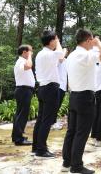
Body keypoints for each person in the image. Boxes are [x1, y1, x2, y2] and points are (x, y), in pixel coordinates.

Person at [62, 29, 101, 174]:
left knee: (71, 131)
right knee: (81, 133)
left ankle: (67, 163)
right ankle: (76, 166)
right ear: (88, 40)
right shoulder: (85, 54)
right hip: (85, 97)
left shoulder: (71, 55)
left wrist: (94, 44)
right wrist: (99, 42)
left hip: (74, 96)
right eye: (91, 41)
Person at [33, 30, 66, 158]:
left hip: (42, 88)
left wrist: (56, 41)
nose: (57, 41)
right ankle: (41, 150)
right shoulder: (49, 54)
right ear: (51, 41)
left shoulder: (41, 54)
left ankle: (36, 147)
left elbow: (58, 58)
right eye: (55, 40)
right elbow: (60, 54)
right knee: (47, 120)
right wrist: (58, 41)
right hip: (50, 88)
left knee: (41, 119)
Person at [11, 45, 35, 146]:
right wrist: (29, 56)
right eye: (30, 51)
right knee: (22, 114)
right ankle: (18, 139)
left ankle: (17, 136)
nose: (32, 53)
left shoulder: (21, 61)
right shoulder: (21, 61)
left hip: (24, 90)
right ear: (25, 52)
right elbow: (28, 66)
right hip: (23, 90)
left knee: (20, 114)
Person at [52, 52, 68, 130]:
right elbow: (60, 59)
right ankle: (52, 122)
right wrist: (63, 52)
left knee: (58, 105)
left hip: (63, 86)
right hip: (58, 85)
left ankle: (53, 122)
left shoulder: (66, 61)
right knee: (55, 105)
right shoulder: (58, 59)